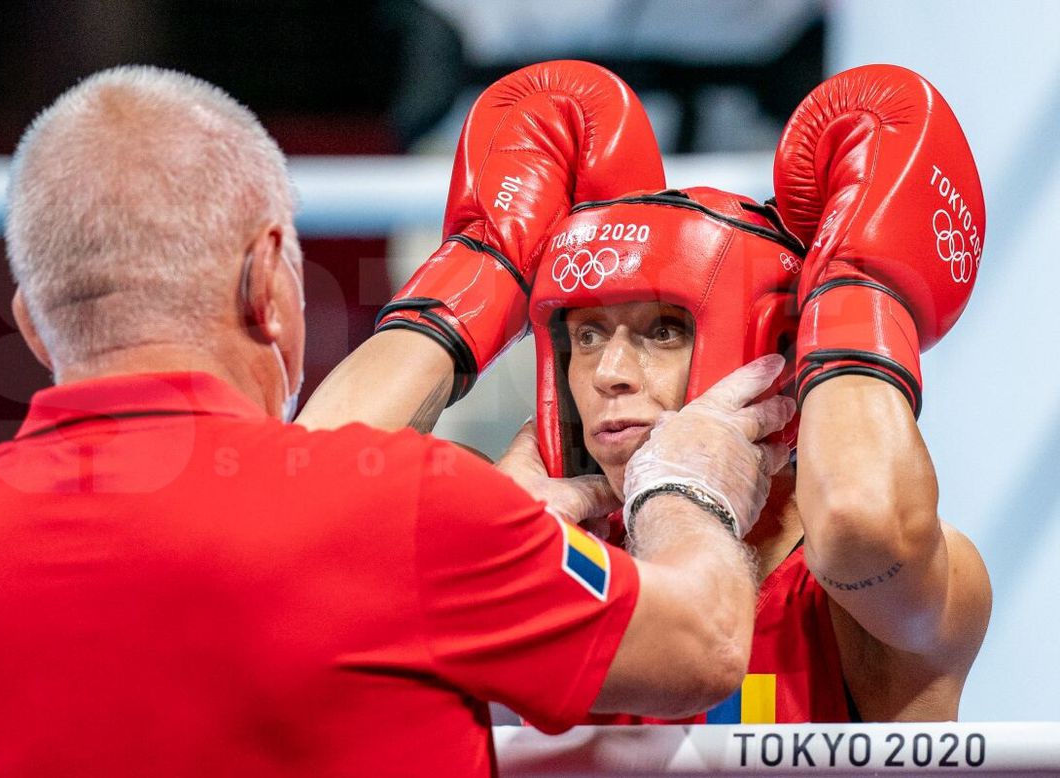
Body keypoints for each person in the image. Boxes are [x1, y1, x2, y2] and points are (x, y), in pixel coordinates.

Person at [0, 63, 793, 777]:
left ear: (34, 324)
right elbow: (707, 642)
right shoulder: (407, 514)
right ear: (268, 279)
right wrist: (688, 476)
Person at [310, 64, 993, 724]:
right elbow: (309, 503)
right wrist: (480, 269)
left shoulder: (863, 601)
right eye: (585, 336)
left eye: (663, 330)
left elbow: (862, 524)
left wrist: (855, 294)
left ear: (775, 355)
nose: (609, 373)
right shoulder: (540, 546)